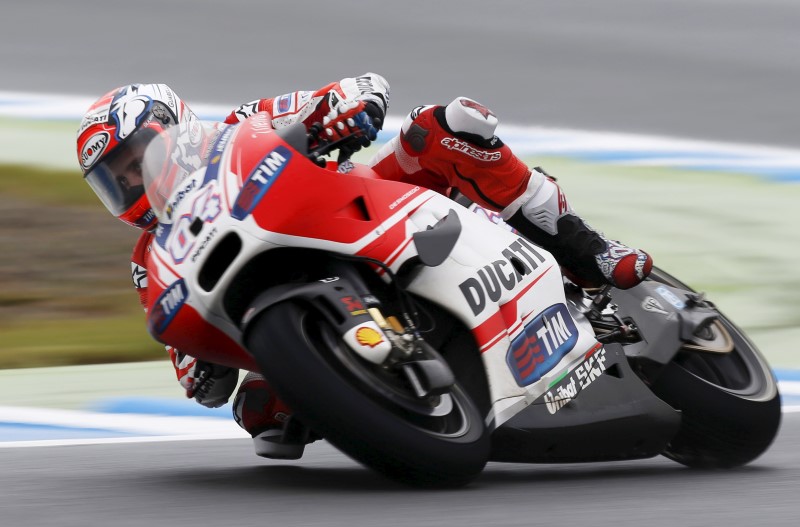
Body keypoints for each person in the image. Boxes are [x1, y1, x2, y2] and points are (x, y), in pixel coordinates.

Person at [76, 75, 652, 460]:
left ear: (170, 126)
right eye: (115, 181)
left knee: (445, 127)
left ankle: (588, 250)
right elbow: (185, 356)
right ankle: (376, 396)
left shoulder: (241, 125)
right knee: (262, 416)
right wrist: (200, 368)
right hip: (283, 291)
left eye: (133, 160)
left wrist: (347, 104)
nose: (131, 182)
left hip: (361, 206)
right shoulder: (150, 258)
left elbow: (344, 93)